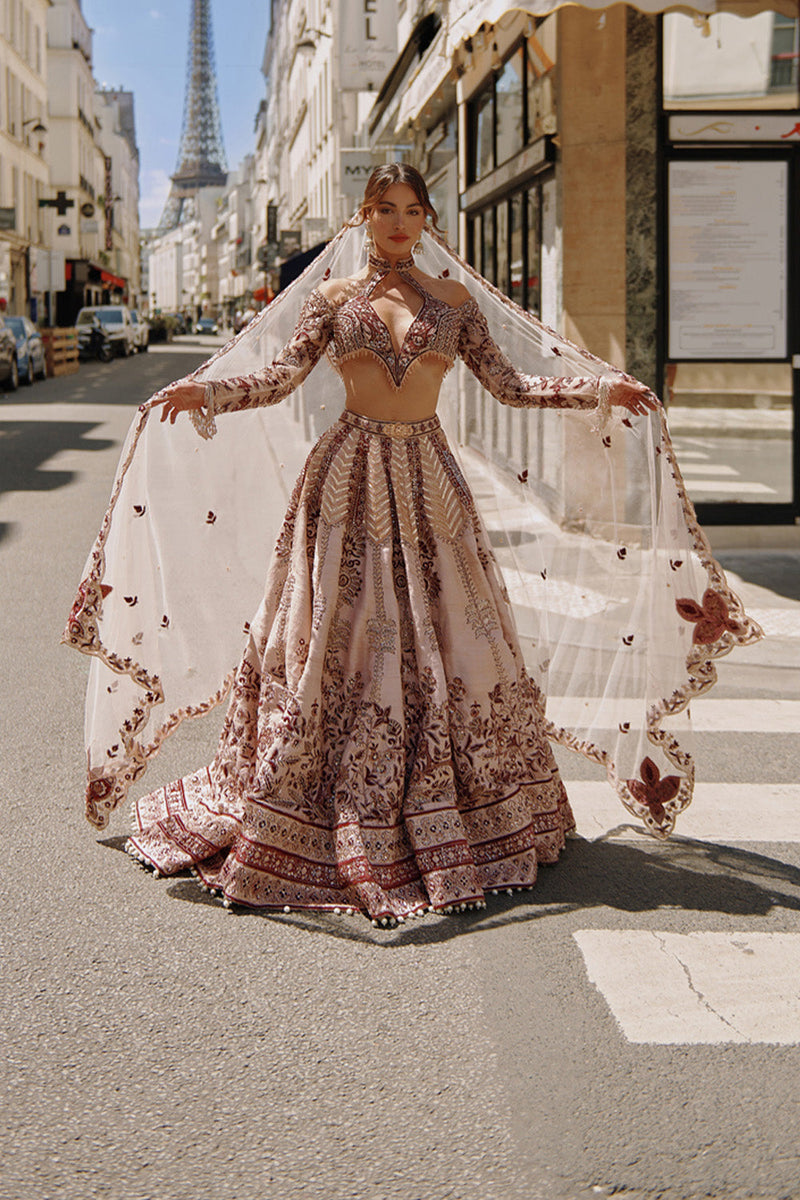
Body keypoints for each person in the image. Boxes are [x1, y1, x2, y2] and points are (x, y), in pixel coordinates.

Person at [64, 164, 759, 926]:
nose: (399, 222)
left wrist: (597, 391)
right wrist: (209, 393)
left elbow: (510, 384)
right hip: (345, 482)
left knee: (453, 634)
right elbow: (281, 375)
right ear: (363, 217)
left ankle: (469, 800)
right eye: (384, 209)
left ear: (428, 220)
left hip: (429, 483)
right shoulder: (333, 300)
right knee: (334, 628)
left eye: (412, 210)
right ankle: (319, 796)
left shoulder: (455, 302)